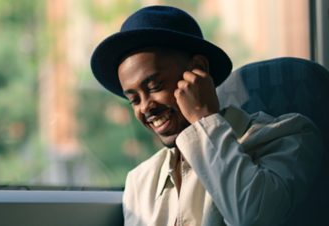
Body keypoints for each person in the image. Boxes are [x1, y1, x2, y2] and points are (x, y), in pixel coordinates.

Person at [90, 5, 324, 226]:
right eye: (134, 99)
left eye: (154, 86)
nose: (145, 108)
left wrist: (203, 118)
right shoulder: (140, 182)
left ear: (197, 70)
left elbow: (251, 217)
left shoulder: (290, 136)